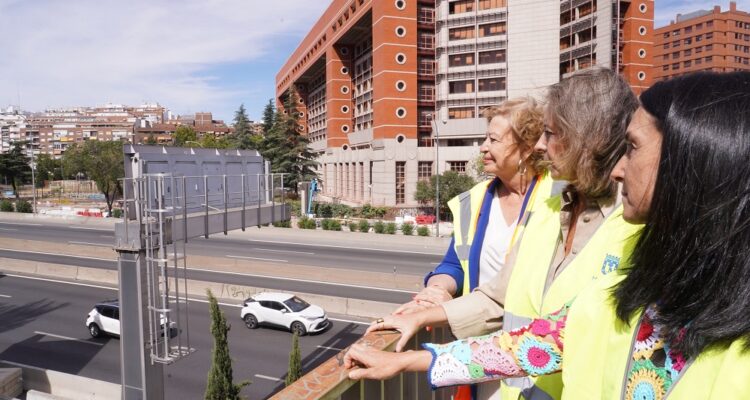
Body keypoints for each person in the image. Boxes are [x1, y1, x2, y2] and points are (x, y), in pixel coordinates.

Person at [344, 71, 750, 399]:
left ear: (695, 164)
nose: (618, 169)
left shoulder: (631, 240)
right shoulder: (645, 289)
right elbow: (548, 340)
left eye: (632, 147)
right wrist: (416, 358)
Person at [368, 68, 642, 400]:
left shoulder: (633, 227)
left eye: (551, 134)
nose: (541, 145)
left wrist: (414, 360)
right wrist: (420, 315)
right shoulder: (547, 210)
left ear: (587, 138)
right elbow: (498, 296)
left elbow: (553, 342)